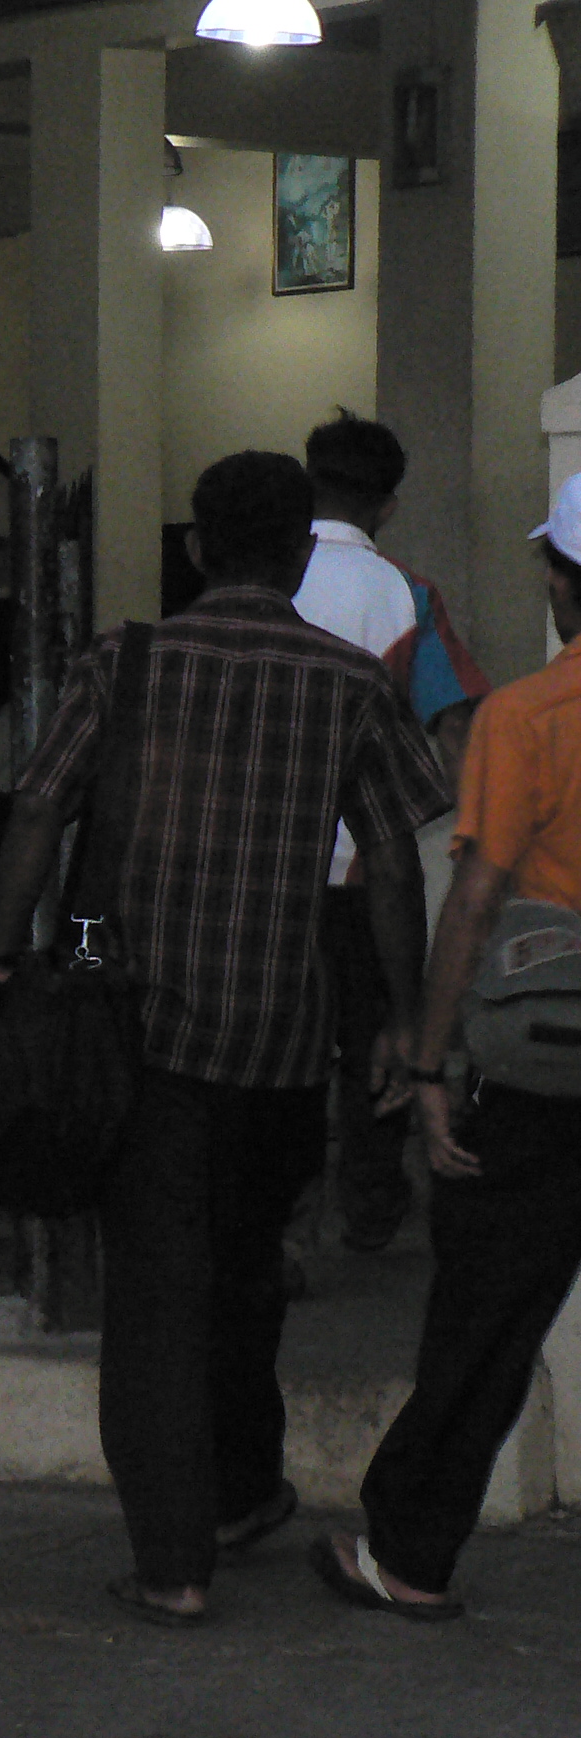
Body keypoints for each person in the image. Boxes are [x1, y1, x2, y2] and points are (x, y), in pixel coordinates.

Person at [0, 451, 450, 1627]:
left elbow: (37, 805)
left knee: (154, 1294)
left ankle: (172, 1565)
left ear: (194, 549)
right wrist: (402, 1018)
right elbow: (394, 864)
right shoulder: (349, 683)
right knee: (245, 1277)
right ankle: (241, 1493)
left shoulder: (123, 662)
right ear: (299, 556)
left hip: (137, 1033)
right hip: (281, 1044)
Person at [312, 475, 581, 1622]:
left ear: (562, 581)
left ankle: (411, 1555)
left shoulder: (529, 717)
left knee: (486, 1312)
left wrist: (424, 1063)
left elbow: (473, 900)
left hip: (545, 1064)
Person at [294, 413, 429, 1250]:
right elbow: (422, 712)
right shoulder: (402, 592)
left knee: (286, 1048)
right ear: (387, 505)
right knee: (370, 1036)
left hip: (267, 861)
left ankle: (286, 1219)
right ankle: (372, 1202)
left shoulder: (266, 569)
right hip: (362, 863)